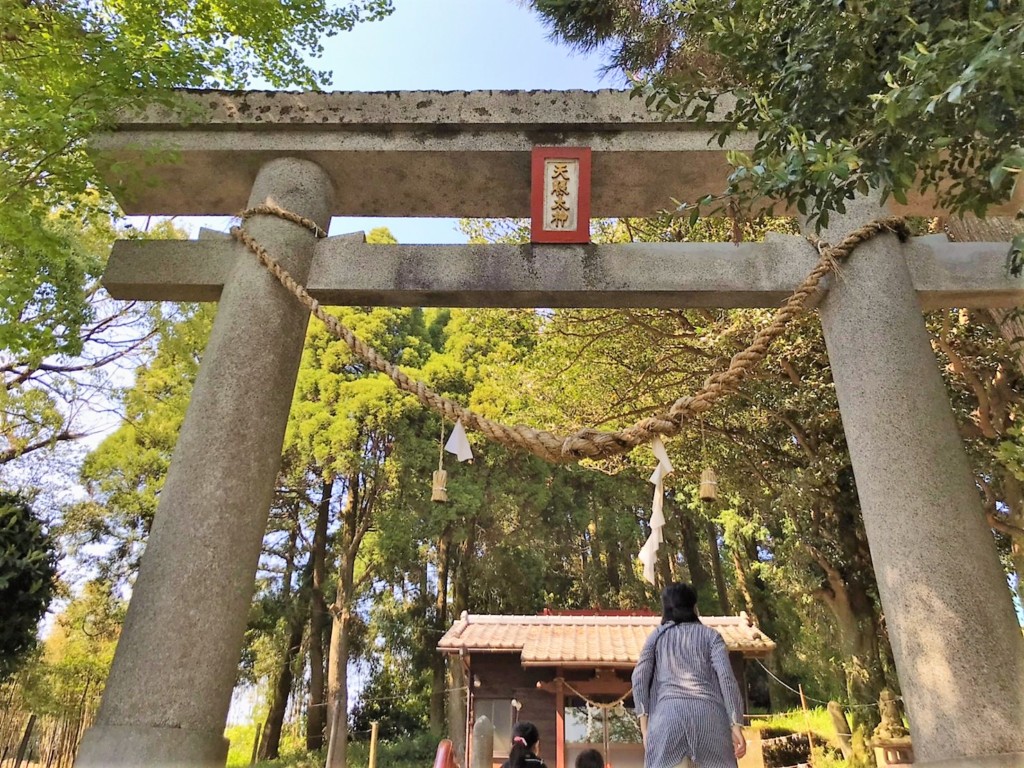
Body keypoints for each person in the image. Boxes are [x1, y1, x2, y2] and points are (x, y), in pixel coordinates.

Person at [632, 583, 747, 768]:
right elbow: (726, 678)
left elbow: (639, 679)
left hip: (667, 719)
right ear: (694, 607)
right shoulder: (711, 636)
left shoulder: (656, 637)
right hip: (710, 718)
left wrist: (645, 729)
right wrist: (735, 724)